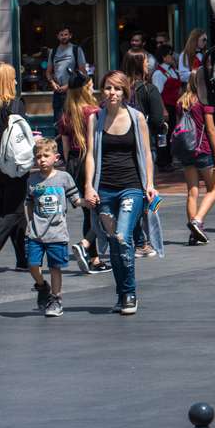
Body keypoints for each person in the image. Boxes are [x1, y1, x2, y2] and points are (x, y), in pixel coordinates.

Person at [84, 70, 162, 315]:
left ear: (125, 91)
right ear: (102, 91)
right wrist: (88, 186)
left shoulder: (137, 118)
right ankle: (121, 292)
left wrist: (149, 183)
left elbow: (147, 154)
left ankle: (129, 294)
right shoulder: (95, 119)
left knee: (122, 236)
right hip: (104, 190)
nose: (112, 93)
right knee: (114, 243)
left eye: (117, 88)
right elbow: (90, 156)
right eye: (108, 88)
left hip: (131, 188)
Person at [25, 138, 82, 318]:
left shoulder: (64, 178)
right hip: (36, 232)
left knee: (55, 267)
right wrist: (29, 223)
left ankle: (56, 299)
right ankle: (42, 286)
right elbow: (28, 203)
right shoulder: (32, 180)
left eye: (45, 155)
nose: (41, 159)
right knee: (32, 264)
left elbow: (76, 200)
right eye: (38, 156)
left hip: (57, 233)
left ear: (55, 158)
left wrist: (87, 202)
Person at [0, 62, 31, 271]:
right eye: (12, 78)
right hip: (13, 166)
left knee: (12, 210)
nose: (16, 81)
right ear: (6, 81)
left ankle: (23, 258)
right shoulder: (15, 104)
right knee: (12, 212)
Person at [57, 74, 108, 271]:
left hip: (73, 164)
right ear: (86, 88)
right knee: (101, 209)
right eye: (91, 85)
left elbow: (66, 147)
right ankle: (91, 253)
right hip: (91, 162)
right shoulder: (92, 112)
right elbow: (94, 144)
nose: (93, 87)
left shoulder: (66, 114)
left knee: (89, 210)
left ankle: (92, 253)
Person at [124, 49, 165, 257]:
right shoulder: (149, 90)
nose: (148, 65)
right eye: (146, 62)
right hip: (144, 146)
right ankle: (141, 241)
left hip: (122, 146)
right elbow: (158, 121)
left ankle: (134, 237)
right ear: (140, 65)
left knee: (129, 193)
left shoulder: (121, 90)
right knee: (144, 193)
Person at [173, 69, 215, 245]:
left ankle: (194, 233)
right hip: (203, 150)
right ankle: (197, 221)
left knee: (192, 192)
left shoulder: (181, 102)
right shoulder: (204, 102)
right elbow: (211, 129)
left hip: (187, 150)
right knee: (214, 189)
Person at [152, 45, 182, 170]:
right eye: (170, 54)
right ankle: (162, 162)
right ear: (164, 57)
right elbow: (157, 94)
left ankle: (169, 160)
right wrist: (163, 110)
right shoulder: (159, 73)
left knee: (171, 135)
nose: (173, 57)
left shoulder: (173, 71)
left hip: (174, 107)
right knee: (163, 135)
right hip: (164, 108)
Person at [46, 27, 87, 121]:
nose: (64, 37)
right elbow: (48, 72)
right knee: (58, 123)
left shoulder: (76, 50)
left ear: (70, 36)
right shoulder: (53, 51)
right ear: (57, 37)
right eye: (61, 35)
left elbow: (83, 73)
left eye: (66, 34)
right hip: (58, 92)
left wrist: (68, 85)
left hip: (73, 92)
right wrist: (52, 82)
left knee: (73, 122)